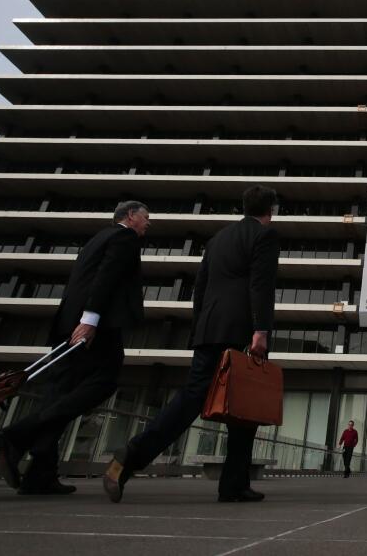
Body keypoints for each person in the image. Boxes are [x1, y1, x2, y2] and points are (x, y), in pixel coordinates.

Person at [101, 185, 280, 503]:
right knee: (235, 406)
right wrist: (261, 331)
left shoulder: (218, 239)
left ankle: (232, 483)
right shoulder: (264, 236)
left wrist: (199, 329)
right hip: (240, 329)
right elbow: (261, 285)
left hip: (210, 327)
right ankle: (134, 454)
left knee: (216, 403)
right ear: (272, 209)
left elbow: (200, 289)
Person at [0, 201, 149, 495]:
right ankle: (17, 434)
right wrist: (90, 320)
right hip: (96, 326)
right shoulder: (123, 237)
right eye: (145, 218)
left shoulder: (96, 238)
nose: (147, 224)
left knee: (59, 393)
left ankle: (40, 474)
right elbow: (107, 277)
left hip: (69, 322)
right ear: (130, 216)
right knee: (104, 382)